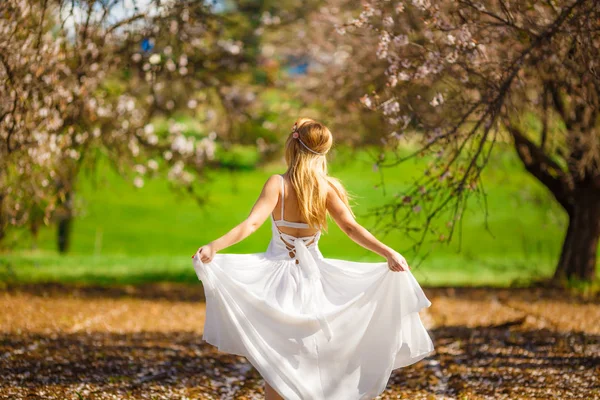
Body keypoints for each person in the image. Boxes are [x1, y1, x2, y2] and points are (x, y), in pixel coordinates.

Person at [192, 117, 434, 400]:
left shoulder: (278, 184)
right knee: (314, 350)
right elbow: (351, 228)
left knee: (278, 356)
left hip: (277, 280)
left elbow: (252, 224)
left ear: (292, 147)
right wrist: (388, 252)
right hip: (314, 280)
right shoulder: (326, 188)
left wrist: (214, 246)